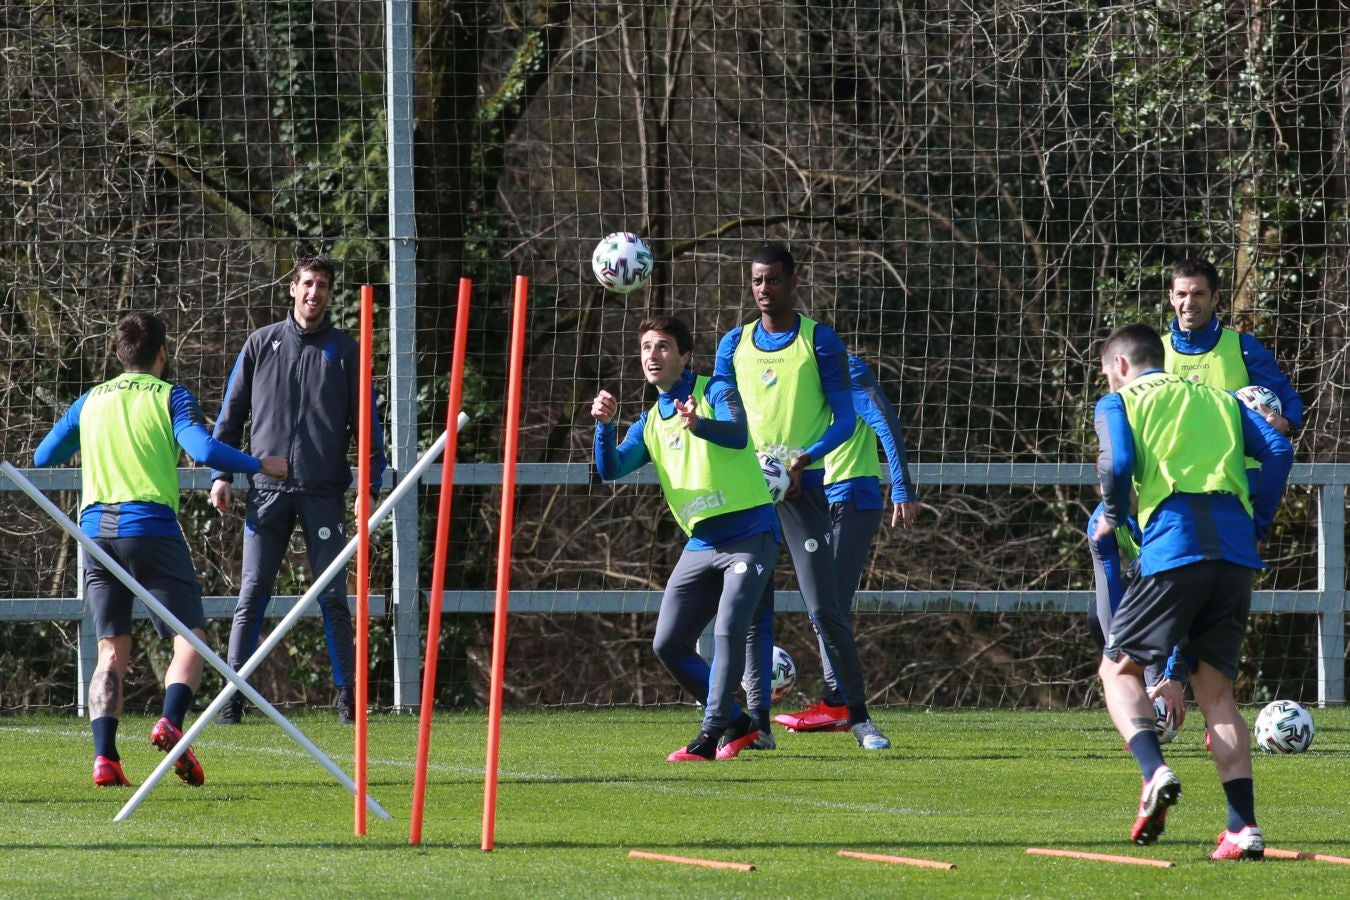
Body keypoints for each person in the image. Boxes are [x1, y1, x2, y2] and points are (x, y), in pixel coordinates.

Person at [33, 312, 288, 787]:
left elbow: (43, 456)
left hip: (95, 532)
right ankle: (171, 721)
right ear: (163, 354)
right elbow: (206, 451)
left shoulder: (90, 401)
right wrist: (261, 464)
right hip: (149, 526)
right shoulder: (172, 396)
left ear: (117, 355)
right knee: (190, 638)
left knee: (111, 648)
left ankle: (105, 759)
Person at [1092, 323, 1292, 859]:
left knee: (1118, 670)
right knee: (1218, 694)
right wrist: (1257, 518)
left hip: (1175, 541)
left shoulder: (1118, 402)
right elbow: (1277, 447)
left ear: (1120, 366)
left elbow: (1117, 464)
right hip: (1233, 549)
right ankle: (1241, 827)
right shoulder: (1220, 398)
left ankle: (1154, 770)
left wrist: (1115, 515)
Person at [1090, 257, 1303, 731]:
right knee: (1112, 573)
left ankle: (1162, 690)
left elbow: (1288, 411)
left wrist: (1280, 423)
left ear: (1215, 299)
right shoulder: (1152, 353)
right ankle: (1155, 682)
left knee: (1196, 603)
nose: (1189, 302)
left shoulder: (1241, 350)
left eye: (1199, 294)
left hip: (1231, 495)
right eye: (1181, 294)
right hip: (1165, 498)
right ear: (1171, 296)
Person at [715, 243, 890, 751]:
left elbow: (845, 420)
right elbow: (725, 407)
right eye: (756, 281)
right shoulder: (733, 344)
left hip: (803, 489)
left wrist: (804, 459)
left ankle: (857, 717)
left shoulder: (821, 342)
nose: (763, 290)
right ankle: (758, 724)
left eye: (772, 280)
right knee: (751, 610)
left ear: (795, 281)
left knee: (825, 606)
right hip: (749, 495)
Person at [591, 315, 781, 761]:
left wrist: (700, 426)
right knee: (668, 644)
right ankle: (739, 721)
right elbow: (610, 470)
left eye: (662, 347)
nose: (652, 356)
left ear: (685, 356)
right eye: (646, 348)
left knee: (731, 627)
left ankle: (710, 733)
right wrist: (603, 425)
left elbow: (738, 434)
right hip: (701, 545)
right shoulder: (650, 421)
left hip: (751, 532)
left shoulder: (714, 390)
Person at [209, 256, 386, 724]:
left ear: (330, 295)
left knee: (331, 597)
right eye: (308, 284)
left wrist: (369, 485)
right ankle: (233, 696)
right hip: (266, 492)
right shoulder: (260, 343)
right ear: (292, 289)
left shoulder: (346, 352)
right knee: (253, 594)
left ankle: (349, 698)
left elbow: (366, 425)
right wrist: (221, 475)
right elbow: (231, 414)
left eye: (323, 286)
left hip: (323, 493)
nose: (315, 293)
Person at [753, 354, 918, 741]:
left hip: (850, 495)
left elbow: (887, 424)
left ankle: (839, 704)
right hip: (811, 498)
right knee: (821, 605)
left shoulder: (847, 369)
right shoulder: (784, 381)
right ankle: (833, 703)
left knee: (828, 605)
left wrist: (902, 486)